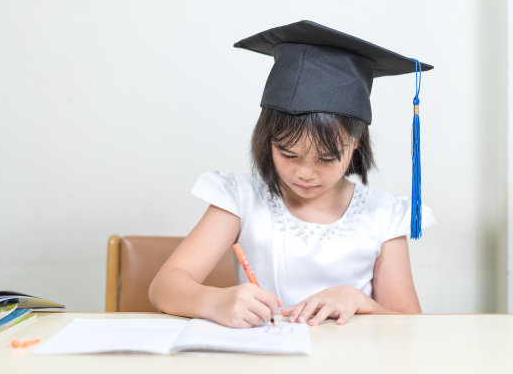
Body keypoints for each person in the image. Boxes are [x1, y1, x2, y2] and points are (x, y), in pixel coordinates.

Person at [149, 20, 435, 328]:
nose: (305, 173)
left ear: (355, 143)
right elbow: (164, 287)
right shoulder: (241, 199)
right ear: (266, 139)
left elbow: (408, 324)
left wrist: (359, 300)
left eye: (325, 158)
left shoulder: (382, 216)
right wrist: (215, 302)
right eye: (288, 154)